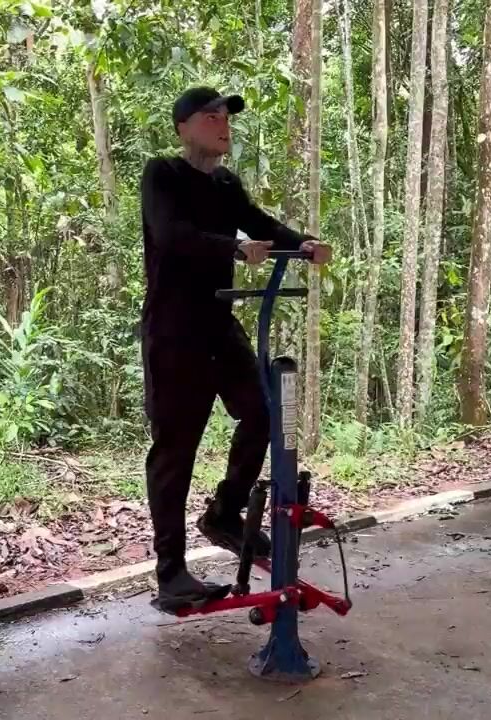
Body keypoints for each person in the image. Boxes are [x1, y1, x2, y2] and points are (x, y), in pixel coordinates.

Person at [139, 87, 332, 612]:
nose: (223, 125)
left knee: (262, 411)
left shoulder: (225, 183)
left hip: (218, 326)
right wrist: (234, 248)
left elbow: (260, 223)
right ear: (183, 127)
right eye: (211, 117)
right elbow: (172, 235)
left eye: (226, 118)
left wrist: (303, 242)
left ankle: (224, 512)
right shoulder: (163, 174)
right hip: (173, 332)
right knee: (175, 451)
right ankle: (171, 572)